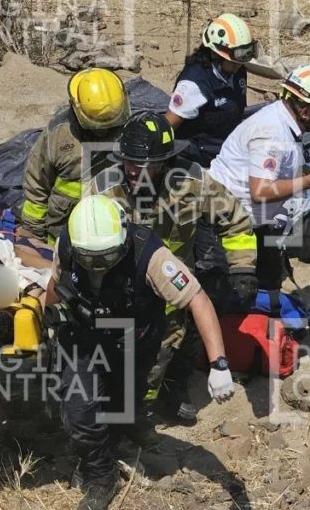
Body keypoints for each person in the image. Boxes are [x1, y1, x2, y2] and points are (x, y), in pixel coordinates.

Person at [44, 196, 235, 510]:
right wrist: (41, 324)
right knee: (80, 414)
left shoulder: (152, 255)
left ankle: (121, 436)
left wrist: (220, 363)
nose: (99, 267)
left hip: (133, 340)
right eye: (89, 260)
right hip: (83, 336)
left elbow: (197, 299)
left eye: (107, 257)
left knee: (121, 402)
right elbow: (55, 283)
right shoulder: (67, 244)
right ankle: (101, 475)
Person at [87, 112, 256, 423]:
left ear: (164, 161)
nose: (134, 172)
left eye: (145, 166)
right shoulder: (104, 190)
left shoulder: (192, 183)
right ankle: (122, 411)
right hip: (123, 293)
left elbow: (236, 220)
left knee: (166, 350)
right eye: (129, 163)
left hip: (174, 292)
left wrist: (242, 267)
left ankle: (152, 407)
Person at [208, 63, 310, 290]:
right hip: (227, 225)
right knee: (239, 291)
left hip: (253, 221)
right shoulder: (272, 133)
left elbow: (280, 167)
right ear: (306, 110)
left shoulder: (283, 123)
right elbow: (261, 191)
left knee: (271, 281)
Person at [21, 68, 131, 244]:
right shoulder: (59, 135)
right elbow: (37, 184)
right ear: (77, 110)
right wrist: (34, 232)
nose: (104, 130)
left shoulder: (130, 130)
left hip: (113, 232)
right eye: (96, 124)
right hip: (63, 233)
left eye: (111, 122)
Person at [166, 13, 257, 167]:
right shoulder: (193, 85)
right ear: (215, 54)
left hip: (227, 151)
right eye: (235, 59)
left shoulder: (236, 70)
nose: (240, 64)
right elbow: (167, 126)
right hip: (199, 161)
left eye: (244, 57)